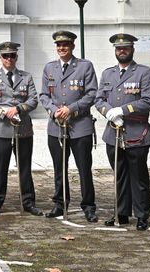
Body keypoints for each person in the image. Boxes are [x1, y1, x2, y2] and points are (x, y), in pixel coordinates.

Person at [95, 33, 150, 231]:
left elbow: (148, 100)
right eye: (118, 48)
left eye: (126, 48)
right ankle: (121, 212)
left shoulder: (144, 72)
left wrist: (123, 110)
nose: (122, 51)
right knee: (119, 174)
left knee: (138, 176)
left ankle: (141, 215)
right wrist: (108, 113)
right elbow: (99, 99)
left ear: (132, 49)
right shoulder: (107, 73)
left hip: (136, 132)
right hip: (114, 131)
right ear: (115, 51)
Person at [39, 30, 98, 223]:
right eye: (58, 45)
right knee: (59, 168)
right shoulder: (49, 68)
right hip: (56, 126)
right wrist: (55, 110)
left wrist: (71, 109)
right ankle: (59, 203)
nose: (62, 48)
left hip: (80, 126)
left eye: (65, 45)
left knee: (84, 169)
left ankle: (88, 206)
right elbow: (44, 96)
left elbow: (91, 94)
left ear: (73, 46)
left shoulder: (85, 66)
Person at [0, 41, 42, 217]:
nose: (8, 59)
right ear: (0, 58)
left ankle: (28, 202)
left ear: (16, 57)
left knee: (24, 167)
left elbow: (33, 100)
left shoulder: (26, 77)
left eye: (12, 56)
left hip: (23, 128)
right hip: (1, 128)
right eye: (5, 56)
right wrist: (3, 112)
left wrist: (17, 109)